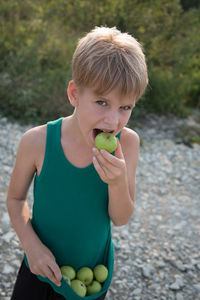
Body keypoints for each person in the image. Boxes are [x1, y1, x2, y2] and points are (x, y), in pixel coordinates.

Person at [7, 26, 148, 300]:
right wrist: (31, 246)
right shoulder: (37, 142)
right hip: (39, 270)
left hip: (91, 276)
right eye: (101, 102)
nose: (113, 121)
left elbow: (120, 218)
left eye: (125, 107)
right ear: (74, 94)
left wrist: (117, 182)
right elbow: (15, 199)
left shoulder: (127, 144)